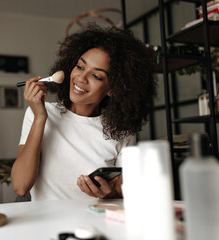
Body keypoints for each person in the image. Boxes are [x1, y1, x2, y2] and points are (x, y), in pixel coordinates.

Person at [11, 24, 157, 201]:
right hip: (46, 225)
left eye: (96, 76)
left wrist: (107, 193)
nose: (81, 78)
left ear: (113, 88)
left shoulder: (122, 131)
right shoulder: (40, 113)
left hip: (95, 223)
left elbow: (123, 192)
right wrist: (40, 118)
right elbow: (20, 186)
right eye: (80, 67)